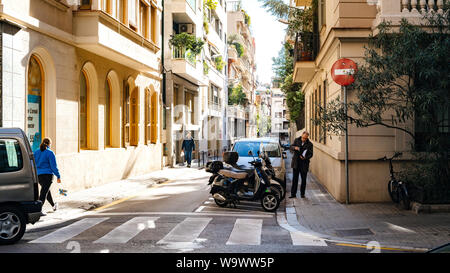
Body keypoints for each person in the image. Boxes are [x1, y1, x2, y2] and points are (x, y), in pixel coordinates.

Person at [34, 138, 61, 215]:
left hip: (39, 175)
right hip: (48, 175)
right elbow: (53, 166)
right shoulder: (50, 153)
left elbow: (33, 164)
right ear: (49, 144)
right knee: (43, 193)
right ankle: (38, 210)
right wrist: (58, 176)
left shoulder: (36, 152)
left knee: (46, 191)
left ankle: (53, 205)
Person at [289, 131, 313, 198]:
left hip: (304, 164)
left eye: (305, 138)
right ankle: (293, 194)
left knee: (303, 180)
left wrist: (305, 157)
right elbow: (291, 147)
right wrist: (295, 148)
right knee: (295, 179)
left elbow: (311, 154)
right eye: (303, 138)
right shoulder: (296, 140)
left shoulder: (310, 144)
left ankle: (302, 194)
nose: (303, 139)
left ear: (307, 137)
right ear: (301, 135)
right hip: (296, 163)